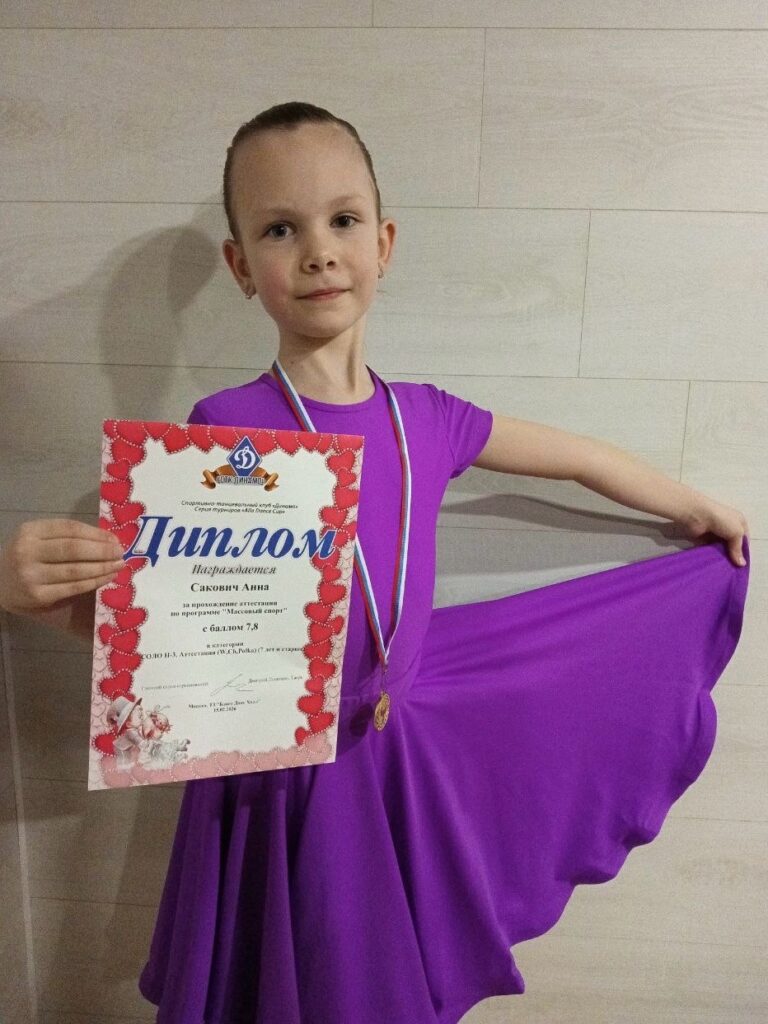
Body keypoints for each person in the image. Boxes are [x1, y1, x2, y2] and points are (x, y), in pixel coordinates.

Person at [0, 102, 751, 1024]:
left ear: (384, 244)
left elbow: (579, 457)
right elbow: (172, 639)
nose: (318, 251)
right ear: (242, 267)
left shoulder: (427, 418)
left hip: (398, 757)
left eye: (343, 220)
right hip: (272, 781)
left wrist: (689, 505)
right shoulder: (222, 433)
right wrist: (38, 598)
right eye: (281, 229)